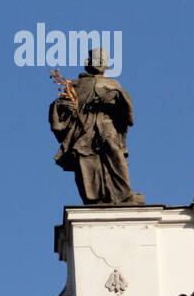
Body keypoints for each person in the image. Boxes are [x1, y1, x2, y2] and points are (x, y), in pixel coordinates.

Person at [49, 49, 144, 205]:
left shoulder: (113, 84)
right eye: (97, 59)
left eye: (102, 60)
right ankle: (94, 198)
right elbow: (59, 107)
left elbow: (126, 108)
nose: (99, 63)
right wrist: (67, 108)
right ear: (88, 62)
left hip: (106, 125)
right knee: (86, 161)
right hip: (84, 129)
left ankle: (125, 195)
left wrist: (112, 100)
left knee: (114, 151)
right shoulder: (75, 85)